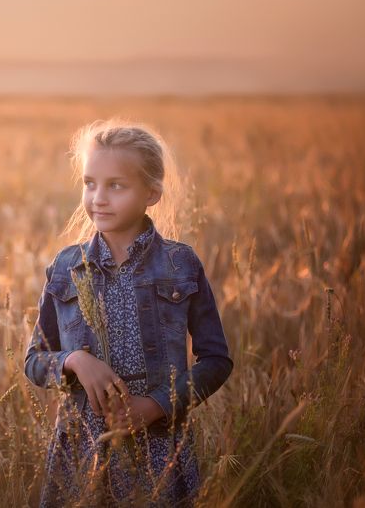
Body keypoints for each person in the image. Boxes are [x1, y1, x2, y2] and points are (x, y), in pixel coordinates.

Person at [23, 119, 233, 507]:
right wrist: (75, 360)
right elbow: (34, 361)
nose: (98, 198)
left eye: (116, 185)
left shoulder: (180, 264)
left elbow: (216, 360)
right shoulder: (67, 265)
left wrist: (154, 406)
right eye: (90, 183)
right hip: (82, 448)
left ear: (151, 193)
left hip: (158, 449)